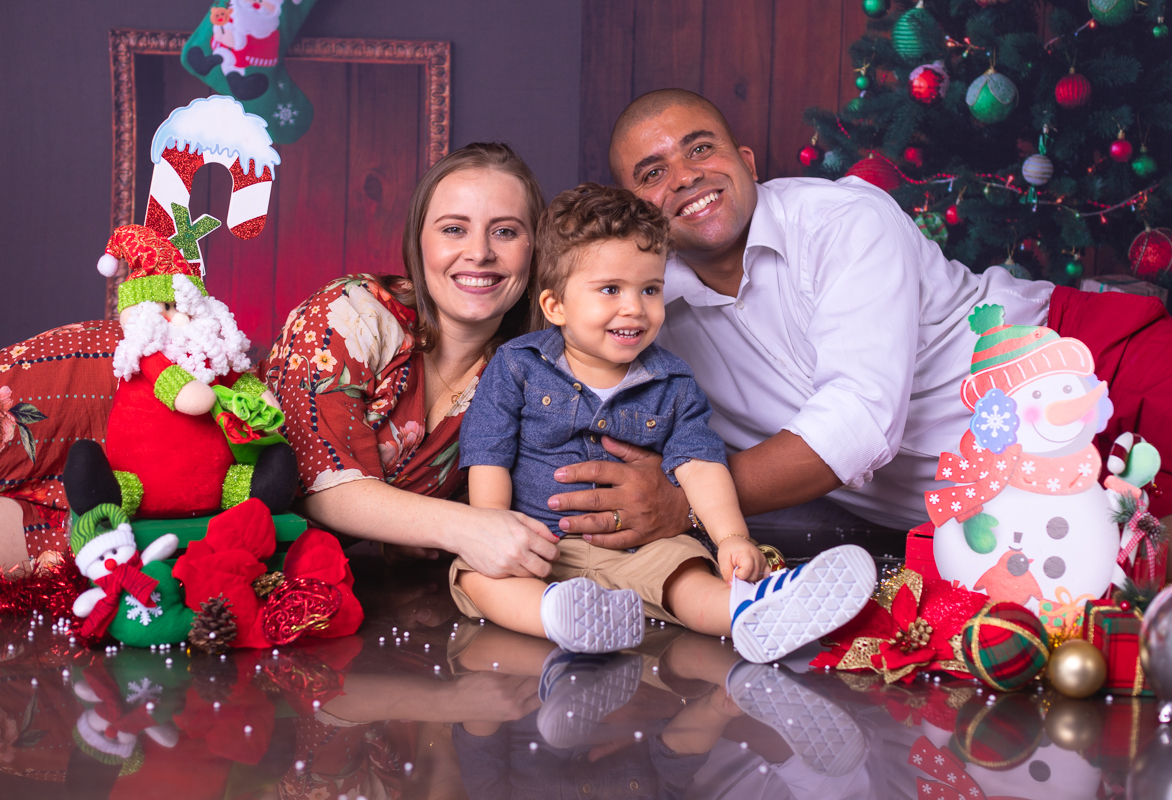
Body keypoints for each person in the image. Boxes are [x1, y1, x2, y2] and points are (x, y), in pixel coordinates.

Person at [546, 88, 1172, 548]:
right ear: (635, 210)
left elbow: (860, 421)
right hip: (992, 522)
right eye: (653, 174)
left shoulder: (843, 221)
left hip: (1095, 378)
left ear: (746, 162)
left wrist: (685, 501)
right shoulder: (642, 316)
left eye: (699, 149)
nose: (684, 178)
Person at [452, 183, 875, 663]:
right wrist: (496, 531)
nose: (635, 307)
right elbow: (489, 453)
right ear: (556, 307)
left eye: (650, 289)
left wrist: (731, 537)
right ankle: (558, 616)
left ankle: (752, 610)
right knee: (477, 575)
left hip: (641, 546)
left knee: (686, 575)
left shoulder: (672, 381)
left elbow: (699, 463)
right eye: (610, 289)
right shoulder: (517, 366)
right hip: (536, 541)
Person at [259, 142, 564, 580]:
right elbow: (317, 478)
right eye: (454, 229)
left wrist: (405, 532)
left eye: (506, 231)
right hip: (196, 545)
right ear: (418, 241)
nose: (479, 252)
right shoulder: (350, 314)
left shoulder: (527, 370)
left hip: (329, 585)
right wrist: (459, 529)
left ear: (536, 250)